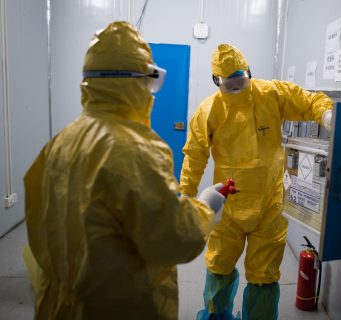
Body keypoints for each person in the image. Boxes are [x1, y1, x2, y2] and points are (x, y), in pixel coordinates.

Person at [24, 21, 225, 320]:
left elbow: (39, 229)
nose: (151, 93)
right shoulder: (136, 151)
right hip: (119, 304)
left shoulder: (60, 143)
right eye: (150, 82)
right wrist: (206, 208)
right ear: (134, 81)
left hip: (59, 305)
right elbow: (172, 240)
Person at [180, 43, 333, 320]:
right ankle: (217, 315)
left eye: (242, 81)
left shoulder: (270, 94)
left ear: (249, 73)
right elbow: (194, 154)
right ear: (217, 82)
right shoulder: (208, 111)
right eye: (230, 85)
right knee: (219, 266)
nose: (237, 89)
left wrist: (326, 114)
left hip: (268, 205)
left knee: (264, 275)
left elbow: (306, 100)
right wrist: (186, 193)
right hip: (228, 204)